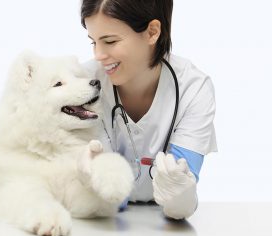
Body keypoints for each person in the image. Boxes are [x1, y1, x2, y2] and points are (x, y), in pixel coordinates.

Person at [80, 0, 217, 220]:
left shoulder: (193, 88)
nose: (98, 55)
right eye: (93, 42)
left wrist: (180, 197)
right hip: (105, 227)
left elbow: (183, 191)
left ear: (152, 32)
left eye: (110, 41)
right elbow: (113, 195)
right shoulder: (83, 85)